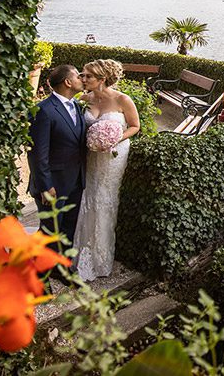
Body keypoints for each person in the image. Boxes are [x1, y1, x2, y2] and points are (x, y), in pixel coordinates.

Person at [73, 58, 140, 281]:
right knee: (88, 196)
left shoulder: (123, 99)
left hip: (114, 156)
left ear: (102, 79)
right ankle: (81, 250)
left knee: (105, 199)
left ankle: (101, 258)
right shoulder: (83, 98)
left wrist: (115, 138)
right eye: (82, 75)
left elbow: (135, 126)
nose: (82, 79)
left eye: (87, 76)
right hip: (91, 156)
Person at [27, 64, 86, 258]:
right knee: (49, 232)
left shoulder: (77, 106)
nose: (82, 79)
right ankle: (34, 268)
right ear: (68, 82)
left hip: (75, 180)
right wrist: (46, 186)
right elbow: (37, 153)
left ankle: (61, 267)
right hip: (53, 184)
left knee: (68, 228)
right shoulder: (43, 110)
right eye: (78, 76)